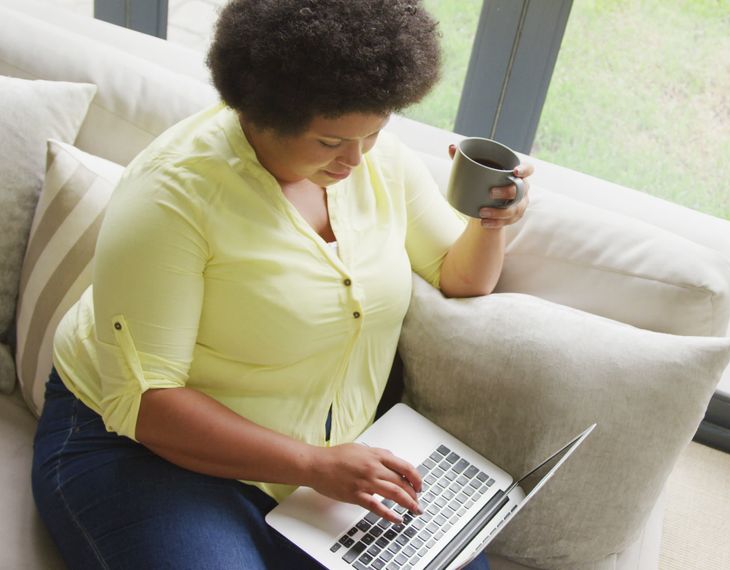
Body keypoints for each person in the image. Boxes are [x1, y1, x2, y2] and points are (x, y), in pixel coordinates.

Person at [30, 0, 531, 568]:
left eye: (373, 132)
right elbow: (146, 405)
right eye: (330, 142)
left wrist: (490, 221)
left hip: (325, 460)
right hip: (145, 451)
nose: (356, 159)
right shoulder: (172, 197)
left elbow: (457, 275)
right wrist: (315, 466)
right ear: (261, 110)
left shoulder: (373, 155)